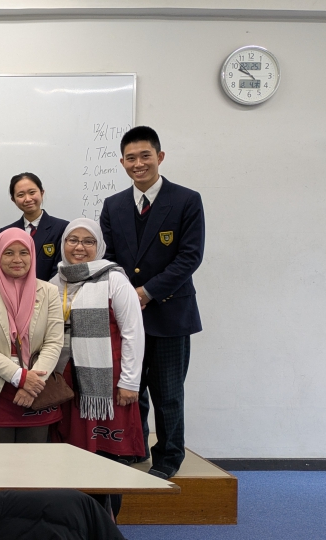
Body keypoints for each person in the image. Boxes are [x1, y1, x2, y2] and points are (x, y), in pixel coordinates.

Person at [99, 126, 204, 480]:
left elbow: (189, 257)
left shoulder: (186, 200)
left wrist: (146, 292)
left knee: (168, 392)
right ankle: (134, 447)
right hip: (127, 316)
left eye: (145, 156)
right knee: (131, 389)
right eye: (131, 158)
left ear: (160, 157)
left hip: (170, 314)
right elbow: (109, 258)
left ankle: (169, 457)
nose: (138, 163)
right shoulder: (113, 205)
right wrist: (127, 296)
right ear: (122, 163)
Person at [51, 218, 145, 516]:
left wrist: (130, 382)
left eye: (88, 241)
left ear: (99, 246)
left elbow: (133, 332)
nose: (79, 247)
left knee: (106, 458)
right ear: (63, 244)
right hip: (66, 383)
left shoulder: (114, 279)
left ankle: (106, 523)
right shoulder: (55, 282)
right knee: (70, 455)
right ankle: (75, 522)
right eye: (73, 240)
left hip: (106, 384)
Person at [0, 228, 63, 443]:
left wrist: (32, 384)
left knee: (34, 457)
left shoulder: (49, 292)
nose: (17, 259)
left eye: (23, 252)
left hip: (37, 387)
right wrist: (20, 377)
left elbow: (54, 342)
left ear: (32, 255)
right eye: (8, 253)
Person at [0, 173, 70, 281]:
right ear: (13, 200)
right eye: (21, 195)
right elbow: (4, 269)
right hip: (14, 290)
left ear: (42, 193)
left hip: (49, 289)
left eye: (32, 192)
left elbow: (60, 268)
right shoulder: (6, 232)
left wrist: (44, 290)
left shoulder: (62, 228)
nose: (28, 199)